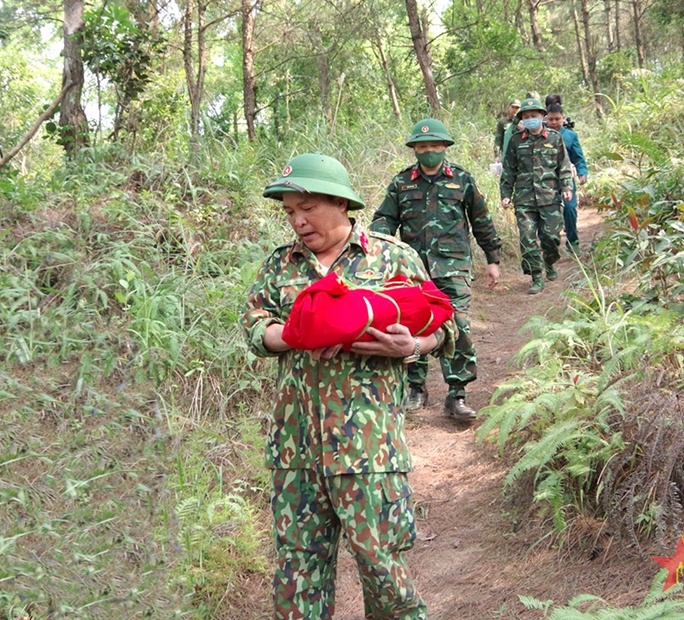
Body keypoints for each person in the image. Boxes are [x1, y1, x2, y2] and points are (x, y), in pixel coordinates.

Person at [241, 153, 455, 619]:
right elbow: (255, 327)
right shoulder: (281, 266)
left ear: (341, 203)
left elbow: (446, 326)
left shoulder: (391, 257)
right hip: (296, 448)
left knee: (382, 568)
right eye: (289, 212)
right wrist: (294, 333)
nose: (298, 221)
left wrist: (412, 345)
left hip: (368, 446)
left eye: (308, 207)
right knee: (298, 571)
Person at [371, 118, 502, 421]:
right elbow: (384, 221)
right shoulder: (401, 183)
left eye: (434, 145)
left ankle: (456, 394)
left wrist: (492, 259)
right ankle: (415, 388)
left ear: (445, 147)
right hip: (413, 270)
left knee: (457, 325)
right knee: (413, 325)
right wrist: (376, 250)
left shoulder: (462, 180)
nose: (428, 150)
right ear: (414, 149)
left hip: (453, 267)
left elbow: (481, 220)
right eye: (421, 146)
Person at [500, 98, 573, 294]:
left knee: (551, 237)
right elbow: (508, 171)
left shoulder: (555, 139)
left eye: (534, 116)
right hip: (524, 199)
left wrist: (566, 187)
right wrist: (506, 194)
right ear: (522, 119)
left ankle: (549, 262)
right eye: (526, 116)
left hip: (549, 197)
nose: (530, 119)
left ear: (542, 117)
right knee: (527, 239)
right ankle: (536, 276)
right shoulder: (516, 140)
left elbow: (564, 166)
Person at [546, 103, 588, 253]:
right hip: (546, 181)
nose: (554, 122)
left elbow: (579, 158)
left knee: (570, 209)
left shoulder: (571, 136)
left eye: (557, 119)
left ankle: (573, 241)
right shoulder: (541, 135)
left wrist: (582, 172)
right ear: (546, 119)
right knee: (549, 213)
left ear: (563, 119)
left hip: (567, 179)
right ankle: (550, 245)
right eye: (551, 119)